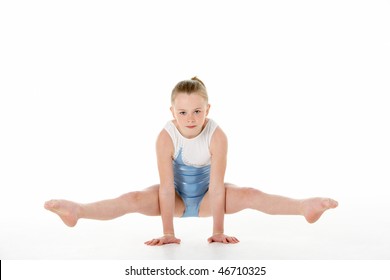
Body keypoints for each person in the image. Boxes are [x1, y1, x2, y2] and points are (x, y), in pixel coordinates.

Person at [44, 77, 338, 246]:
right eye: (182, 113)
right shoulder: (166, 136)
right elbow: (165, 187)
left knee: (250, 194)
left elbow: (218, 186)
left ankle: (304, 207)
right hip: (174, 199)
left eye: (197, 111)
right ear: (172, 112)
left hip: (211, 197)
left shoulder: (217, 134)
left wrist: (218, 231)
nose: (191, 119)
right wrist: (168, 233)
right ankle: (77, 211)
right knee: (132, 198)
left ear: (207, 108)